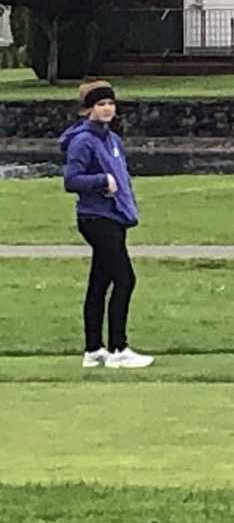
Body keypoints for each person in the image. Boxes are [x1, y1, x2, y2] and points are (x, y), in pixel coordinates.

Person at [60, 81, 154, 369]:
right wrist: (101, 181)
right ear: (89, 109)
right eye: (101, 104)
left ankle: (93, 349)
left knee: (100, 282)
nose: (107, 109)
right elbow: (71, 180)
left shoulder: (112, 139)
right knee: (125, 278)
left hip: (114, 216)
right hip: (96, 217)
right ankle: (118, 348)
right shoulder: (83, 141)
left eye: (110, 104)